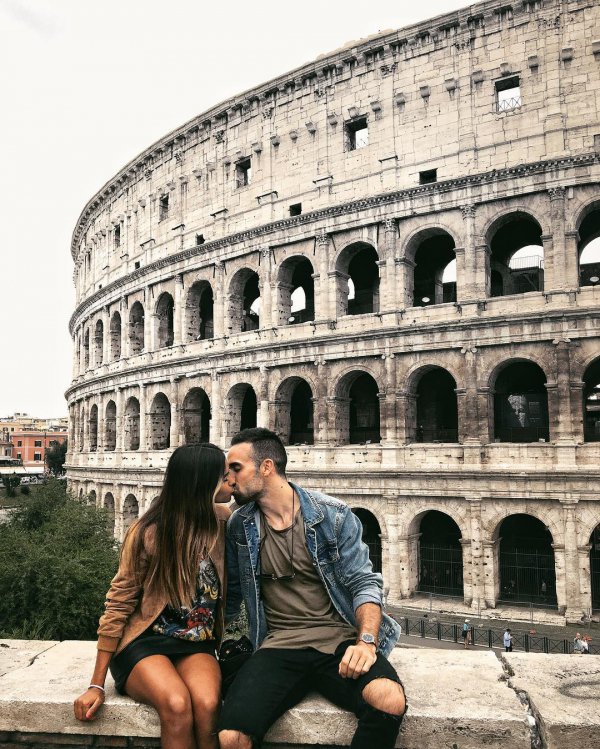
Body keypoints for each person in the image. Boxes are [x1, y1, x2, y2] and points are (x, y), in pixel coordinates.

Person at [218, 428, 406, 749]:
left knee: (388, 698)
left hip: (338, 642)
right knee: (232, 736)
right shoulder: (240, 524)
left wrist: (366, 642)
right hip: (278, 646)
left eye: (236, 469)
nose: (229, 479)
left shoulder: (331, 515)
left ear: (266, 467)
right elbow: (231, 597)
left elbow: (364, 583)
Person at [74, 443, 234, 749]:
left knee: (209, 703)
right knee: (176, 705)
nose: (231, 482)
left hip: (196, 642)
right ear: (204, 482)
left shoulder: (223, 521)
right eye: (224, 476)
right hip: (144, 642)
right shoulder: (148, 531)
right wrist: (96, 683)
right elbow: (118, 603)